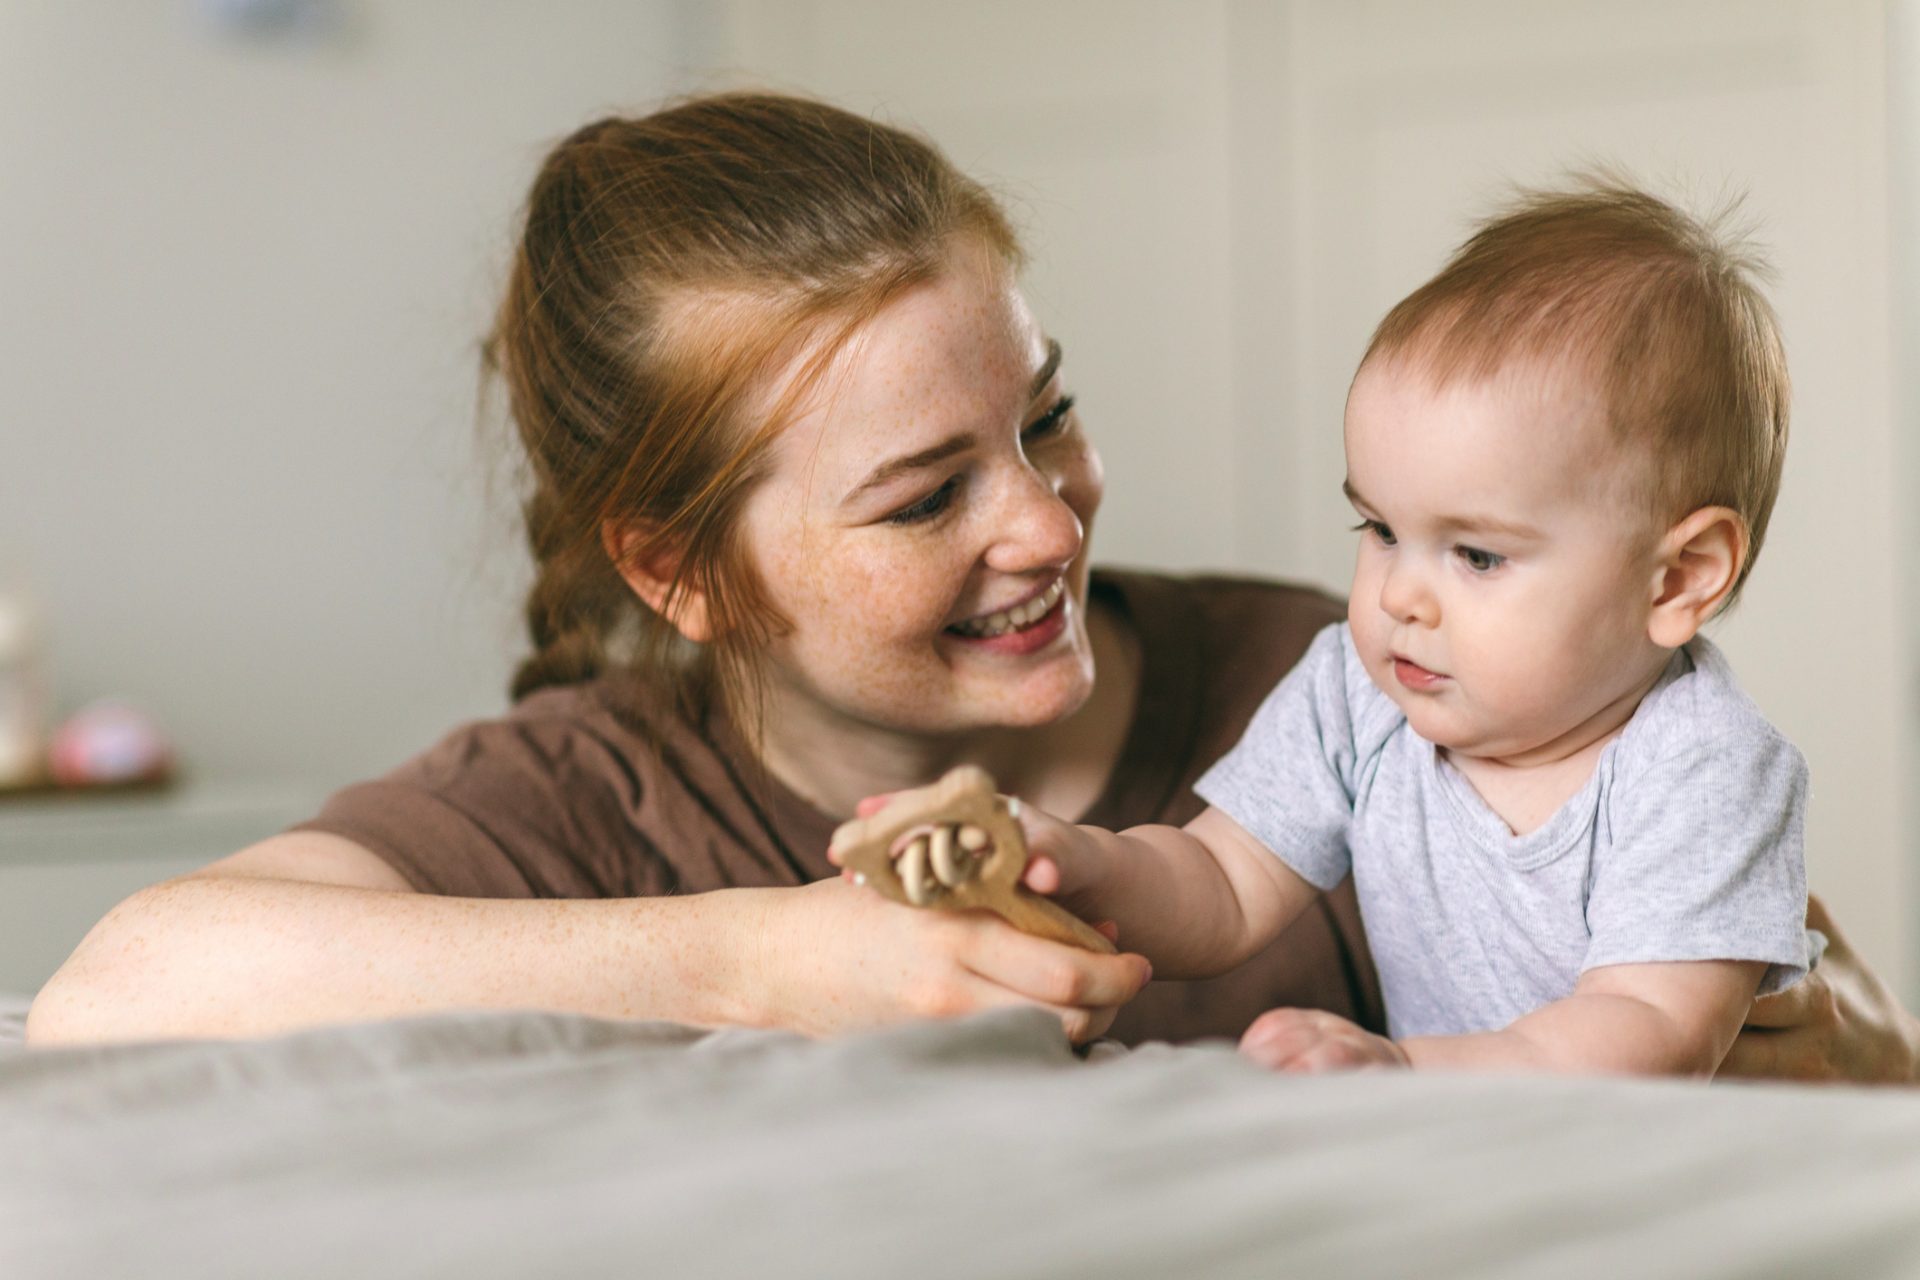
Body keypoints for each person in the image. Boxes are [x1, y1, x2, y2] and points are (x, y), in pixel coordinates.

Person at [21, 95, 1919, 1085]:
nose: (1047, 522)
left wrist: (1836, 1060)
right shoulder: (595, 797)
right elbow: (121, 995)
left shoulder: (1353, 674)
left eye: (1051, 415)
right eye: (929, 493)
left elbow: (1816, 1056)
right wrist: (761, 961)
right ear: (678, 569)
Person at [996, 183, 1823, 1076]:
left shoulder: (1705, 768)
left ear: (1679, 578)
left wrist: (1408, 1073)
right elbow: (1224, 884)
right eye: (1382, 531)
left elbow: (1648, 1032)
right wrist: (1078, 864)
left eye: (1476, 557)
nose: (1400, 599)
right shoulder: (1360, 693)